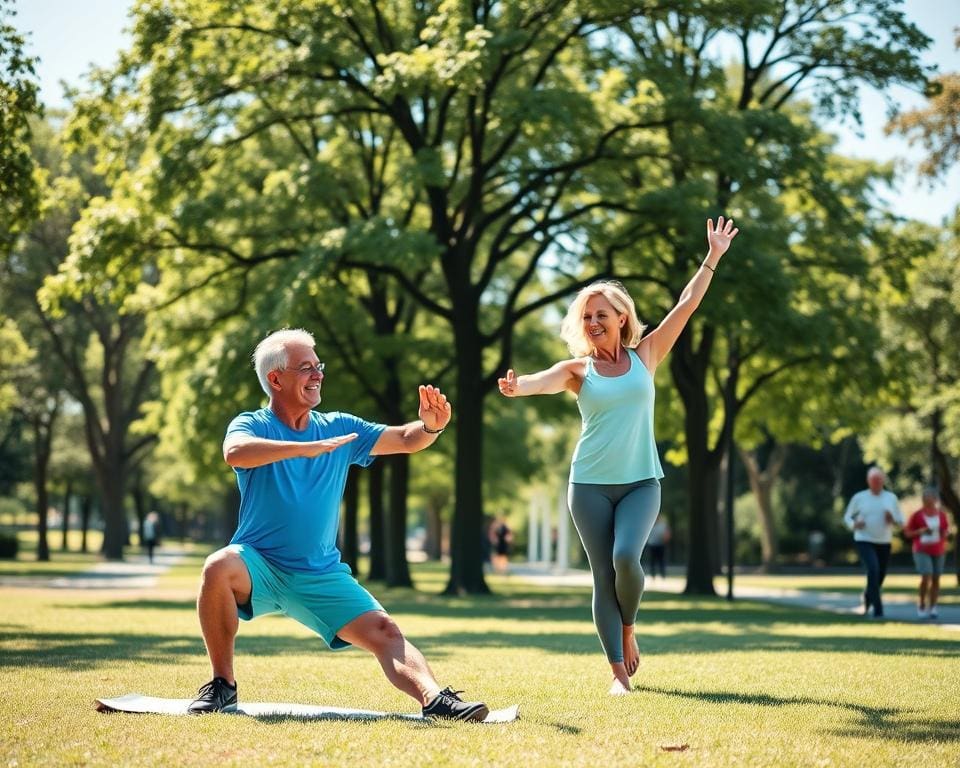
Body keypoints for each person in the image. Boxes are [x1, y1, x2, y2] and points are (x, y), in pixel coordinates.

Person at [187, 329, 488, 721]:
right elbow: (235, 453)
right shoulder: (253, 422)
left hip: (320, 573)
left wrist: (431, 427)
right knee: (217, 566)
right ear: (275, 379)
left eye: (319, 366)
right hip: (257, 564)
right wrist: (304, 447)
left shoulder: (338, 427)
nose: (318, 375)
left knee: (385, 631)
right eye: (306, 367)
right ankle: (223, 685)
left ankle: (437, 700)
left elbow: (404, 439)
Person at [498, 217, 739, 694]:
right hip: (588, 485)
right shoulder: (578, 370)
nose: (593, 323)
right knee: (601, 574)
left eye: (601, 315)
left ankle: (628, 627)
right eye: (587, 317)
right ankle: (617, 675)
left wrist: (712, 256)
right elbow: (540, 380)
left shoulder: (646, 356)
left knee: (627, 558)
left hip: (640, 482)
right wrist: (517, 386)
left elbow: (686, 305)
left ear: (621, 318)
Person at [843, 466, 904, 618]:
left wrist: (893, 519)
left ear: (883, 480)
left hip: (884, 541)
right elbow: (847, 517)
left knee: (880, 575)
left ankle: (867, 596)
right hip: (864, 539)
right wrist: (854, 524)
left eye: (879, 479)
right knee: (873, 569)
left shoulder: (891, 498)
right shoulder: (859, 497)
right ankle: (878, 610)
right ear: (868, 481)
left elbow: (901, 520)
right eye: (873, 480)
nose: (876, 482)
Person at [904, 486, 950, 619]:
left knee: (936, 578)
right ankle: (922, 604)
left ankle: (933, 606)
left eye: (930, 498)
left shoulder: (941, 514)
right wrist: (921, 531)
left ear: (935, 499)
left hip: (938, 549)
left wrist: (944, 533)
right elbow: (907, 533)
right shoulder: (917, 515)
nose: (927, 501)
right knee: (926, 575)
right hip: (921, 549)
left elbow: (946, 530)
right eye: (925, 498)